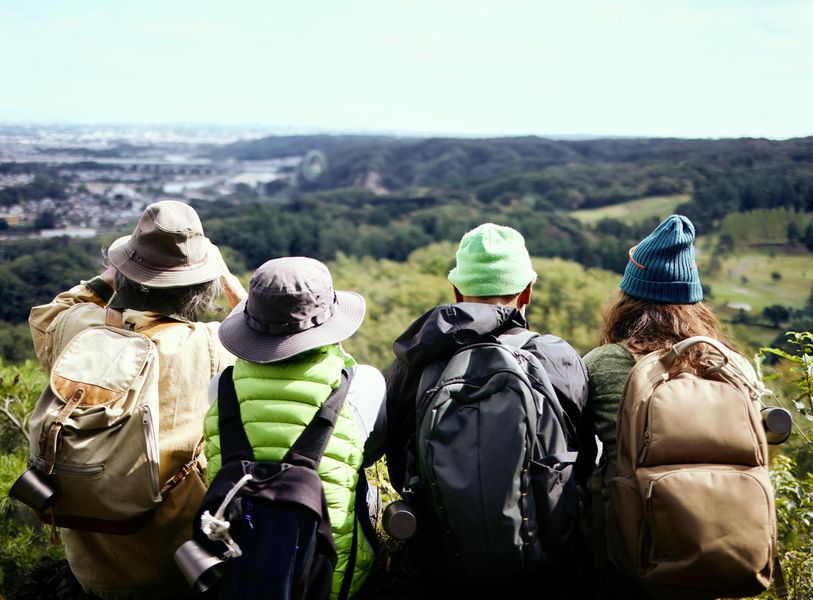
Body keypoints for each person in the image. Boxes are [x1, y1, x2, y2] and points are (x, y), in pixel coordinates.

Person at [29, 200, 246, 599]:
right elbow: (263, 339)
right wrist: (230, 283)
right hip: (178, 563)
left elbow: (53, 311)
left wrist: (115, 273)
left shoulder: (75, 329)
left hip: (92, 567)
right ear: (199, 284)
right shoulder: (209, 346)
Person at [383, 222, 594, 595]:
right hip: (547, 565)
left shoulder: (415, 362)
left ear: (457, 292)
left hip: (440, 564)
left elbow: (399, 466)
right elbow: (584, 461)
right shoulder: (555, 357)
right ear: (527, 292)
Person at [201, 256, 385, 599]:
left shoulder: (221, 389)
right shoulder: (362, 384)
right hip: (330, 583)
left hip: (237, 575)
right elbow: (372, 451)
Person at [583, 214, 732, 466]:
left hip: (629, 503)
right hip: (727, 502)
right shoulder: (726, 363)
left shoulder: (602, 363)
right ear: (695, 302)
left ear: (627, 298)